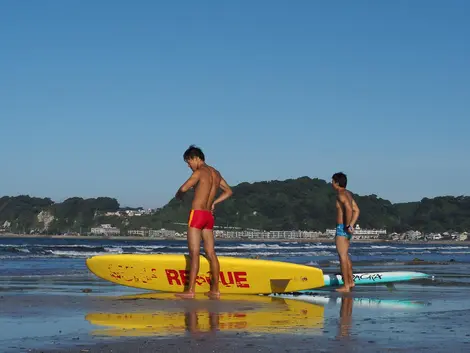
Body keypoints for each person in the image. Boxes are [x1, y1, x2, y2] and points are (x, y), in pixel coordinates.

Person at [174, 145, 233, 299]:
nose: (189, 166)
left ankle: (190, 291)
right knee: (211, 253)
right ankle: (215, 290)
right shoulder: (216, 173)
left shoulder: (200, 172)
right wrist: (214, 203)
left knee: (194, 254)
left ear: (195, 158)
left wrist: (178, 195)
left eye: (188, 162)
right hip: (208, 216)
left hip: (197, 214)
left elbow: (184, 188)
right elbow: (229, 191)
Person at [331, 172, 360, 293]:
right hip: (347, 229)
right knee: (346, 256)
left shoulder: (340, 194)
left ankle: (346, 285)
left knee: (342, 256)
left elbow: (349, 209)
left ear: (337, 183)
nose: (331, 183)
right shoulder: (348, 193)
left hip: (342, 228)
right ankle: (350, 282)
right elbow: (356, 210)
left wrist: (347, 225)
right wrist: (351, 225)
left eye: (332, 181)